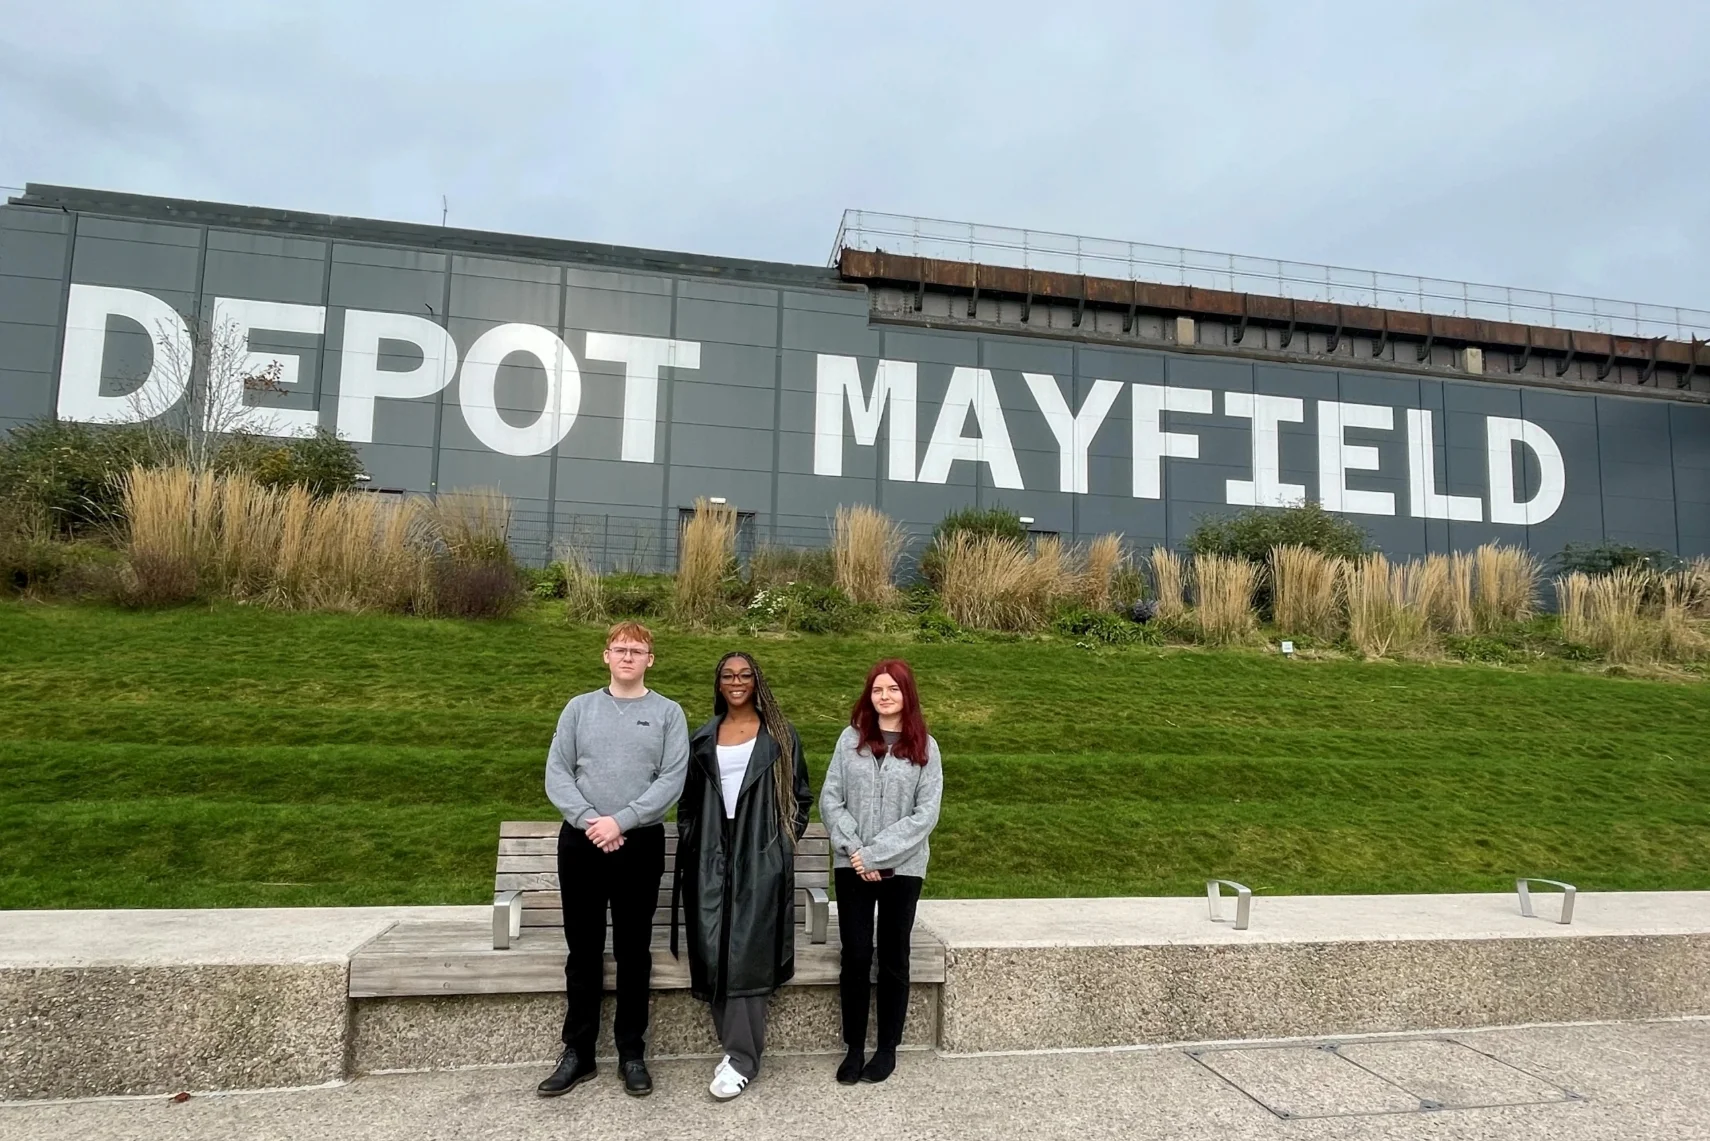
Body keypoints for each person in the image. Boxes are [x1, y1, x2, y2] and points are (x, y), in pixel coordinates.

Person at [538, 621, 689, 1099]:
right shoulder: (579, 708)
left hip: (638, 844)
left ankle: (631, 1052)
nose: (628, 656)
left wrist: (620, 821)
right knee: (583, 951)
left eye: (637, 650)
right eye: (620, 649)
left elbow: (671, 780)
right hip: (582, 843)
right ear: (606, 656)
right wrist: (590, 820)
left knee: (632, 951)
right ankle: (578, 1053)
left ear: (651, 659)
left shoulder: (668, 713)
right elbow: (557, 771)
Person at [675, 651, 811, 1101]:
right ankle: (736, 1051)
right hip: (711, 854)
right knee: (715, 949)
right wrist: (695, 842)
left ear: (757, 681)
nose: (737, 681)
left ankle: (741, 1059)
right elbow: (689, 805)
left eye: (745, 675)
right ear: (718, 683)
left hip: (758, 856)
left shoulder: (779, 737)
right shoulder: (703, 738)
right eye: (728, 676)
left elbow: (800, 800)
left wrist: (777, 847)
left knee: (747, 954)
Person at [819, 657, 943, 1086]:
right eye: (877, 690)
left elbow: (924, 815)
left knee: (893, 956)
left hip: (902, 870)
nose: (884, 696)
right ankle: (854, 1047)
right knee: (854, 956)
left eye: (893, 689)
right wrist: (856, 851)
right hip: (851, 864)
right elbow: (830, 799)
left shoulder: (925, 746)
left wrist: (877, 856)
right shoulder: (850, 740)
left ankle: (887, 1048)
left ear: (907, 695)